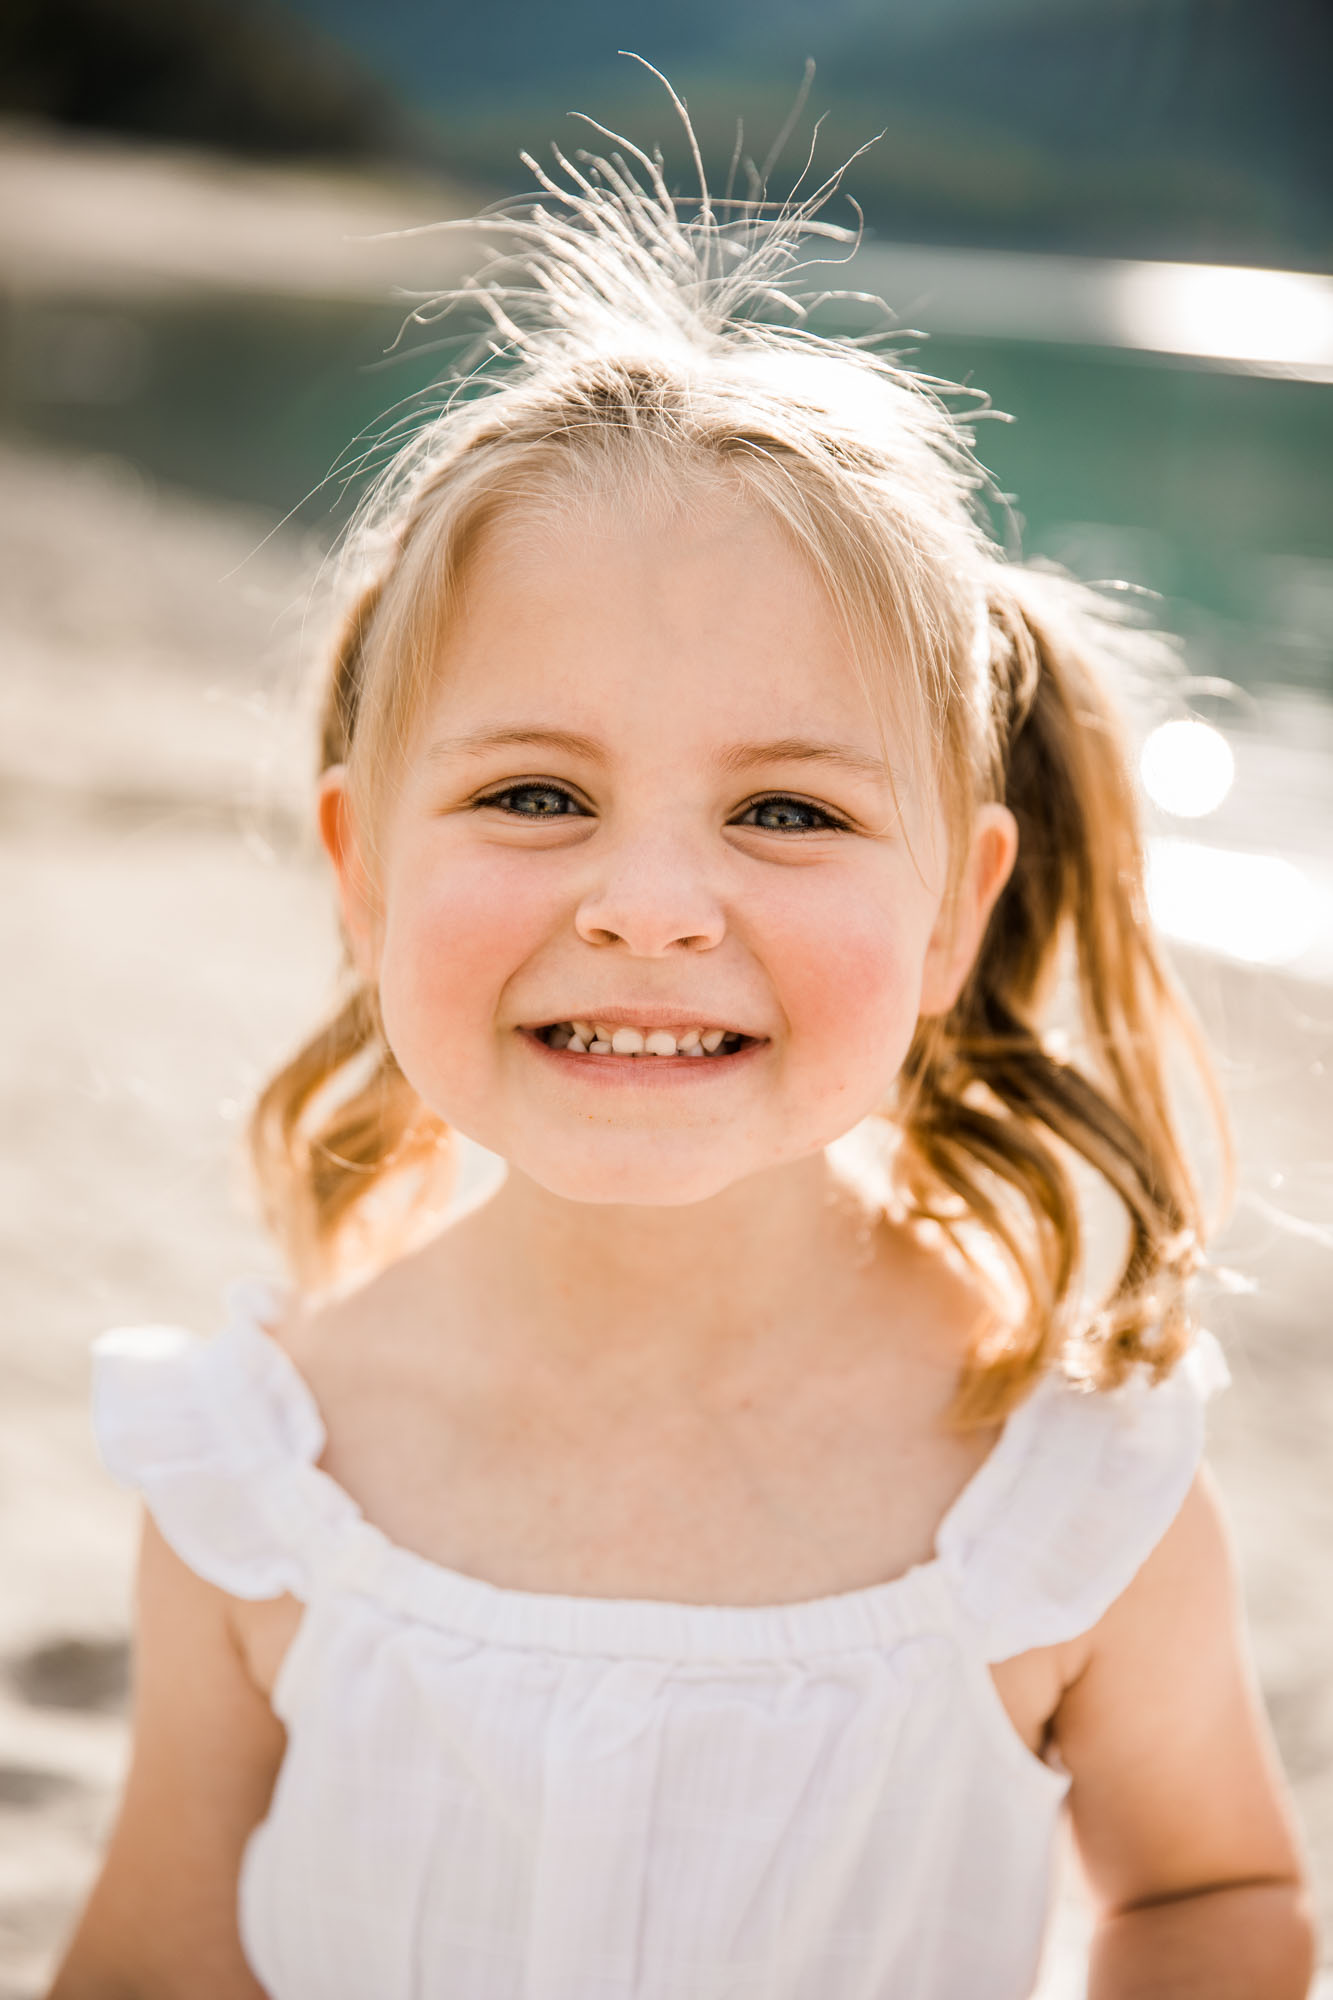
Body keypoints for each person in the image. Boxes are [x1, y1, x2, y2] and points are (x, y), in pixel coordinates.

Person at [49, 87, 1316, 2000]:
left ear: (956, 910)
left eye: (788, 814)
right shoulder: (267, 1471)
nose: (649, 906)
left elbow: (1210, 1897)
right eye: (537, 794)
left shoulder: (1065, 1484)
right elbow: (155, 1952)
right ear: (361, 870)